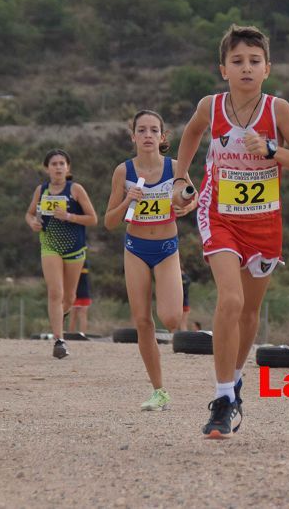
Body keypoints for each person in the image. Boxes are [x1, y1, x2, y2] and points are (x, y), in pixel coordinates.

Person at [172, 24, 289, 439]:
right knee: (230, 300)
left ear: (267, 68)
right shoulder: (211, 106)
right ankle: (220, 401)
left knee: (250, 312)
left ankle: (234, 381)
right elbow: (192, 132)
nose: (246, 68)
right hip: (218, 214)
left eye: (254, 61)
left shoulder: (279, 110)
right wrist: (182, 177)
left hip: (265, 220)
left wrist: (273, 150)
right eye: (238, 61)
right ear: (224, 69)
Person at [104, 110, 197, 412]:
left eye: (153, 130)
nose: (147, 135)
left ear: (162, 136)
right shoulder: (123, 171)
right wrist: (127, 200)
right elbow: (108, 221)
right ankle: (159, 391)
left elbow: (191, 195)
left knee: (170, 318)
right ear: (132, 136)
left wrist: (186, 205)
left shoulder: (174, 167)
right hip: (135, 248)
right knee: (143, 321)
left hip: (167, 248)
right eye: (141, 130)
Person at [24, 149, 98, 360]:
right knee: (55, 293)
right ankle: (59, 340)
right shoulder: (42, 190)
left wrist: (69, 216)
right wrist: (33, 223)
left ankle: (59, 317)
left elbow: (93, 219)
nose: (58, 167)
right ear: (47, 168)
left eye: (61, 163)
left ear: (68, 168)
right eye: (54, 164)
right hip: (49, 246)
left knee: (69, 298)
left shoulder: (76, 190)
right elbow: (29, 213)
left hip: (75, 248)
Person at [68, 260, 91, 335]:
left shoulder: (83, 263)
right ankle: (74, 334)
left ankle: (79, 334)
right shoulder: (83, 262)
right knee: (76, 315)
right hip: (79, 292)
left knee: (79, 315)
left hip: (79, 292)